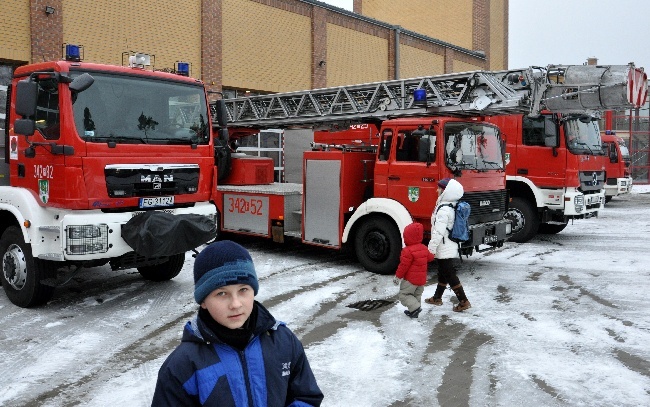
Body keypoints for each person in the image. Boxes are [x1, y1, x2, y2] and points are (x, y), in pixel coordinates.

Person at [152, 240, 324, 406]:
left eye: (243, 290)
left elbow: (306, 396)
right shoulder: (183, 364)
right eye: (221, 294)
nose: (235, 304)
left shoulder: (283, 342)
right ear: (203, 301)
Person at [425, 178, 472, 312]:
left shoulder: (444, 209)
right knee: (443, 271)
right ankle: (437, 298)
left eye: (439, 188)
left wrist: (431, 248)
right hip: (450, 244)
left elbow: (438, 232)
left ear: (445, 191)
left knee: (449, 273)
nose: (437, 190)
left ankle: (463, 301)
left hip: (444, 245)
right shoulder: (451, 205)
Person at [393, 222, 435, 318]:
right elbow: (431, 258)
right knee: (417, 295)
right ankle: (414, 312)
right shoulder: (424, 248)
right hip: (421, 280)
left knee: (404, 295)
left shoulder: (407, 251)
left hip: (410, 280)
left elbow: (403, 266)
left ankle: (415, 308)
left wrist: (398, 276)